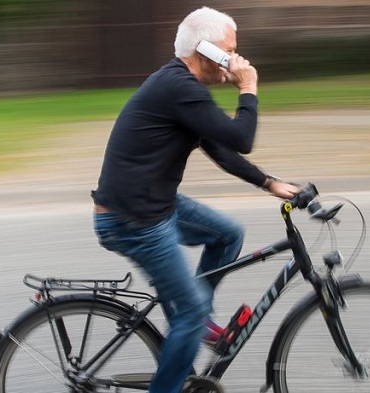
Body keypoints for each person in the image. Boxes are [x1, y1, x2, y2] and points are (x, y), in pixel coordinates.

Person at [91, 6, 299, 393]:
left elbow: (220, 148)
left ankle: (196, 322)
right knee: (187, 313)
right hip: (133, 220)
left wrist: (268, 183)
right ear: (205, 51)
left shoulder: (183, 88)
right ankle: (188, 332)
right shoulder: (179, 87)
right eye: (230, 50)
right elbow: (242, 139)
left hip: (153, 207)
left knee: (227, 234)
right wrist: (248, 86)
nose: (236, 58)